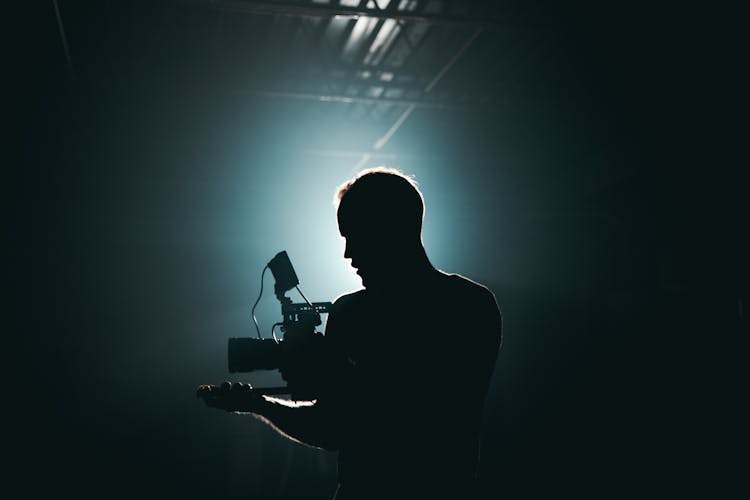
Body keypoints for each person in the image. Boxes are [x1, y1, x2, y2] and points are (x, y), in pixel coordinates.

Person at [198, 168, 502, 499]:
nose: (348, 255)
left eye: (353, 235)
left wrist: (267, 401)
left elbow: (334, 427)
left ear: (389, 229)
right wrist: (262, 401)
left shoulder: (354, 314)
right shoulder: (474, 304)